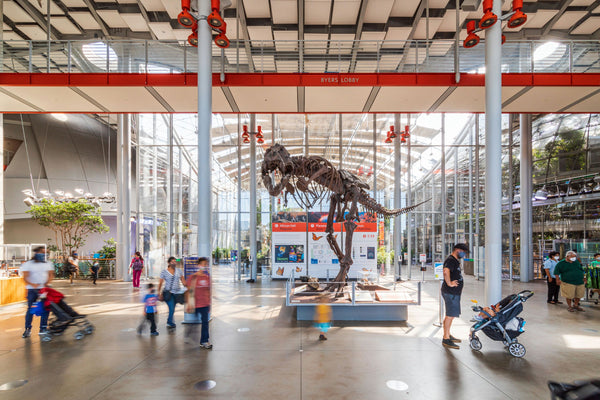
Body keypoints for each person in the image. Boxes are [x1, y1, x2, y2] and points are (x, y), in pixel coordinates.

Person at [20, 247, 54, 338]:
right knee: (30, 309)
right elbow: (25, 277)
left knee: (46, 309)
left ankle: (43, 328)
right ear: (36, 253)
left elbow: (51, 274)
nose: (44, 254)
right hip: (32, 290)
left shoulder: (48, 263)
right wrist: (32, 284)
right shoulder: (28, 264)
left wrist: (48, 282)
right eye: (42, 252)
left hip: (44, 289)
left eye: (46, 253)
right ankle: (28, 329)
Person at [441, 243, 469, 349]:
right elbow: (445, 271)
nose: (464, 254)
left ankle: (448, 334)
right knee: (450, 315)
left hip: (454, 293)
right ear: (457, 250)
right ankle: (446, 338)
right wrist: (449, 283)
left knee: (451, 315)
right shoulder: (450, 260)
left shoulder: (454, 260)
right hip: (450, 292)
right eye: (463, 252)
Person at [186, 257, 213, 349]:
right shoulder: (193, 277)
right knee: (194, 323)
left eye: (206, 264)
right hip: (195, 303)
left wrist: (209, 303)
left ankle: (204, 341)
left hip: (205, 304)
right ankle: (189, 334)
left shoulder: (207, 277)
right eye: (202, 264)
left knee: (205, 323)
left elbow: (209, 291)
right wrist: (189, 303)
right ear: (198, 265)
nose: (204, 266)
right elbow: (189, 291)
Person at [158, 256, 187, 330]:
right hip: (168, 293)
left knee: (172, 308)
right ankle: (170, 322)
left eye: (175, 262)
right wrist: (159, 293)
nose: (174, 263)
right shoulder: (164, 272)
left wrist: (187, 287)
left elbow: (183, 281)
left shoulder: (179, 271)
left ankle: (170, 320)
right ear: (169, 263)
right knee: (171, 308)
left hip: (177, 293)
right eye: (172, 262)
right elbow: (160, 283)